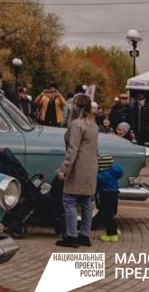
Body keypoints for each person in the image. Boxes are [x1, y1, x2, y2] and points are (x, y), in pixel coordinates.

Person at [56, 94, 99, 248]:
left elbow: (72, 150)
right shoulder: (93, 125)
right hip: (91, 168)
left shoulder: (77, 125)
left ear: (77, 106)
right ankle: (85, 235)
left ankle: (72, 236)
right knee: (87, 203)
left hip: (78, 168)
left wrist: (64, 169)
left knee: (69, 201)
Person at [96, 154, 123, 243]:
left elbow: (97, 184)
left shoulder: (102, 176)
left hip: (106, 195)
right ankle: (114, 229)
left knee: (106, 216)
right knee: (111, 214)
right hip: (114, 194)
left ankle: (112, 235)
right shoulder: (114, 172)